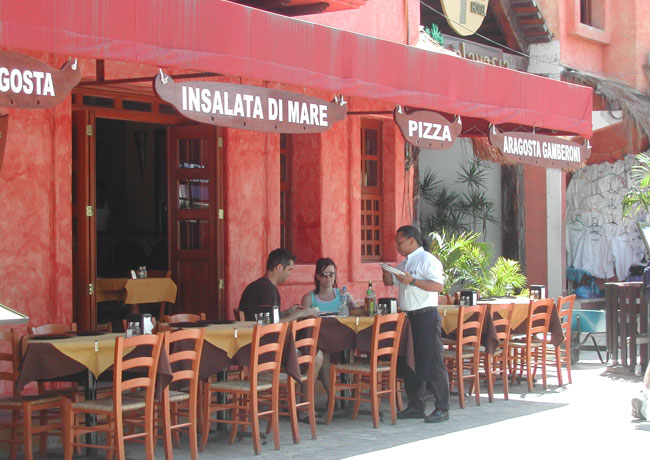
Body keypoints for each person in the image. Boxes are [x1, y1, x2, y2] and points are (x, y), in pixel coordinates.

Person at [382, 225, 450, 423]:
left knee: (434, 361)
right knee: (410, 360)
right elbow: (391, 284)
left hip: (426, 315)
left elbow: (438, 286)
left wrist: (412, 281)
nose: (397, 246)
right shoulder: (404, 263)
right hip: (408, 317)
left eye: (400, 242)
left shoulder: (428, 260)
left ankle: (442, 407)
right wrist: (387, 273)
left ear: (412, 240)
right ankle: (415, 405)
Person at [238, 248, 316, 322]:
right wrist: (298, 314)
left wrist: (287, 312)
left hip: (250, 333)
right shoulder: (269, 290)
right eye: (289, 269)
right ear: (279, 267)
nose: (290, 274)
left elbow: (266, 318)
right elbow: (272, 326)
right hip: (260, 335)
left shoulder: (254, 286)